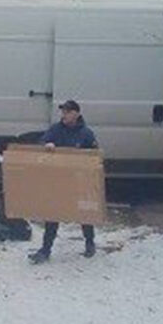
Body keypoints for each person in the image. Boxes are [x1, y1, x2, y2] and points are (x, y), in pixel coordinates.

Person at [28, 100, 99, 263]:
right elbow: (41, 143)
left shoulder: (86, 133)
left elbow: (95, 156)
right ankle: (45, 250)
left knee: (84, 212)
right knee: (52, 214)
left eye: (68, 112)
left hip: (79, 180)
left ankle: (90, 243)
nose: (64, 115)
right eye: (63, 112)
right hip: (58, 180)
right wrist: (47, 144)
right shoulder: (55, 129)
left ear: (77, 114)